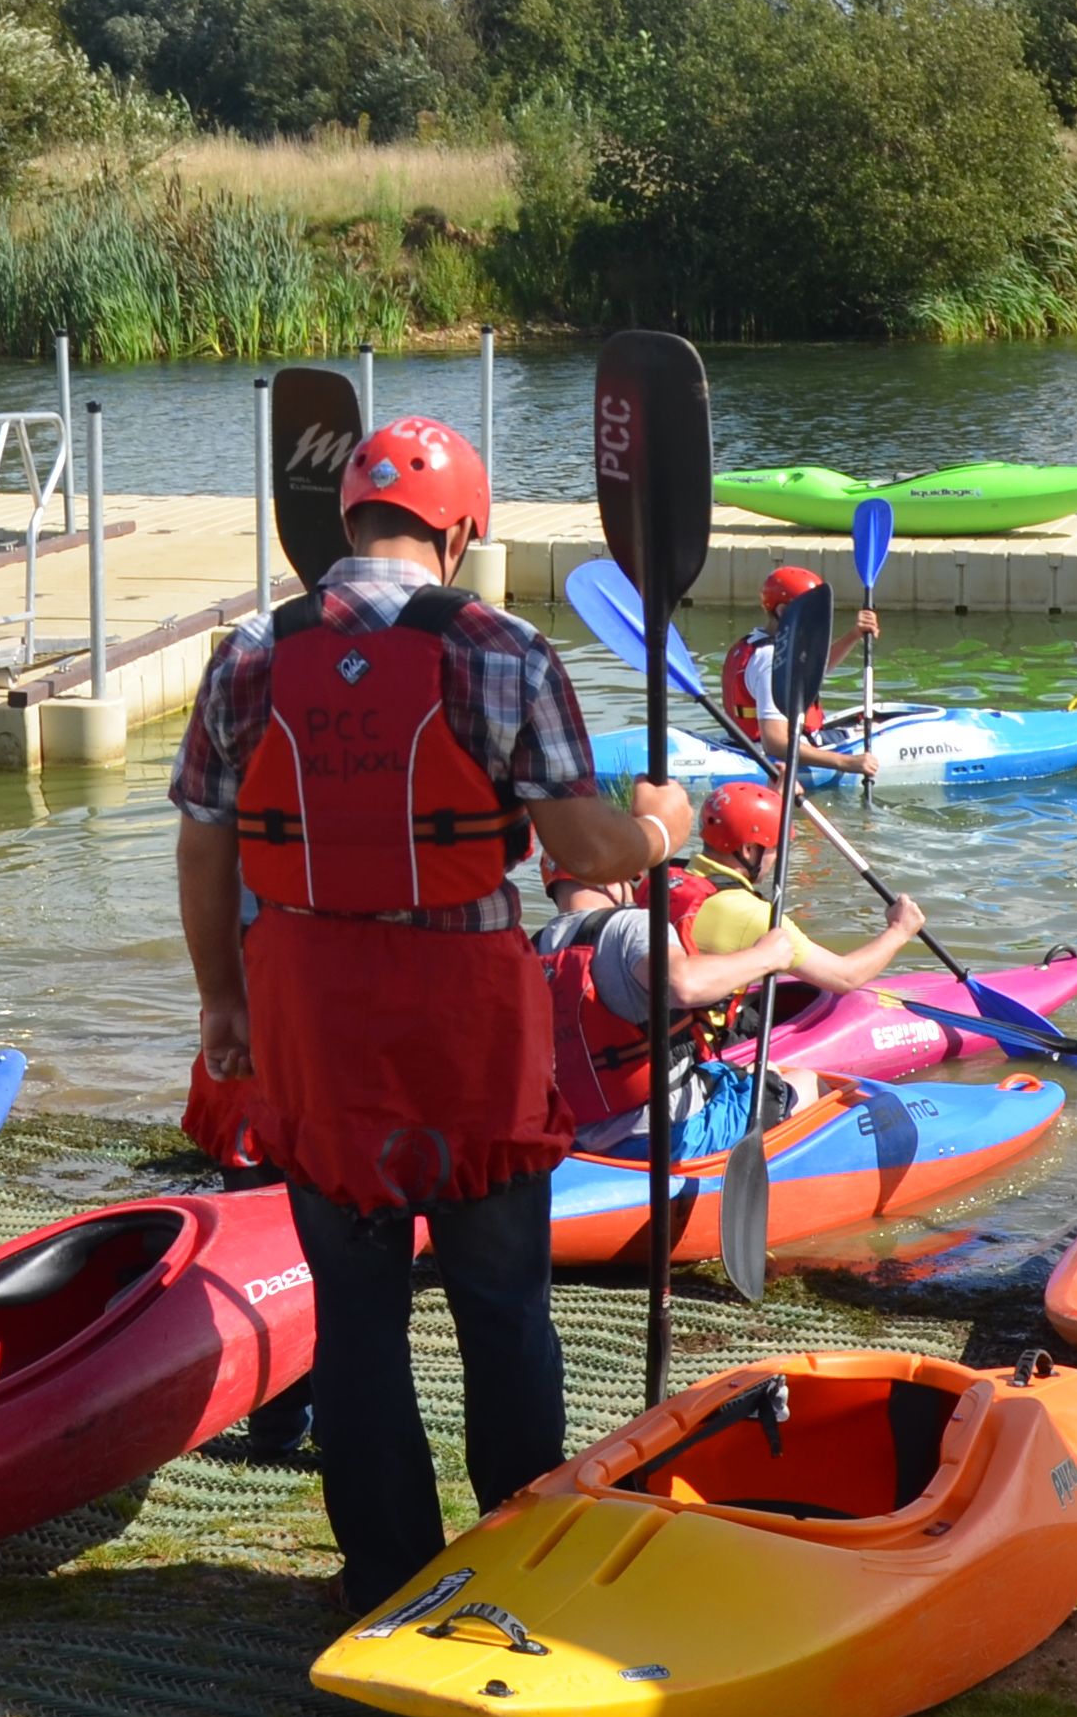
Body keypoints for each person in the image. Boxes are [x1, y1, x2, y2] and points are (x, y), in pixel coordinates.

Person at [169, 414, 694, 1618]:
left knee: (355, 1318)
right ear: (459, 533)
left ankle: (383, 1572)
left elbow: (204, 846)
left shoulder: (248, 649)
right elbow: (576, 843)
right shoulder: (502, 645)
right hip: (464, 1013)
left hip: (309, 1009)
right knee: (500, 1301)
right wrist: (661, 826)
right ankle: (518, 1556)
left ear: (345, 521)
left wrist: (220, 1001)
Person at [535, 780, 923, 1140]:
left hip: (585, 1122)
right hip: (666, 1128)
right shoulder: (649, 922)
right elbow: (845, 977)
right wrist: (899, 932)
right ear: (751, 850)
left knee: (762, 1072)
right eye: (772, 849)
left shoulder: (543, 942)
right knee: (807, 1083)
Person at [720, 564, 886, 780]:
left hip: (752, 742)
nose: (819, 620)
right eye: (812, 612)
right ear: (782, 611)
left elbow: (811, 673)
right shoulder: (770, 659)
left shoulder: (757, 643)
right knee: (879, 730)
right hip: (776, 753)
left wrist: (854, 635)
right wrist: (846, 762)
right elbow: (776, 743)